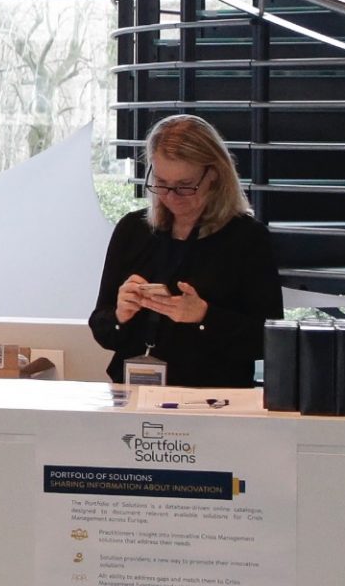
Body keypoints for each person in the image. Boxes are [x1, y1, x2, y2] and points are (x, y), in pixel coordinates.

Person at [88, 114, 284, 387]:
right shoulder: (133, 229)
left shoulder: (247, 238)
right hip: (134, 393)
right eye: (161, 182)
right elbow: (102, 329)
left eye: (184, 186)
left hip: (214, 398)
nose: (170, 196)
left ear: (213, 175)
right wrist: (121, 314)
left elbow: (269, 340)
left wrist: (203, 316)